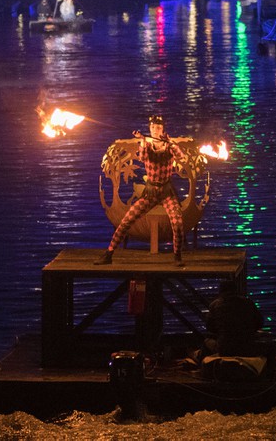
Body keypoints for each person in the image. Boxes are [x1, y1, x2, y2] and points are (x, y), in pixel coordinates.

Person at [96, 115, 187, 266]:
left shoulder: (169, 146)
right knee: (127, 220)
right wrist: (143, 141)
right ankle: (109, 254)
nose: (155, 130)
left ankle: (177, 256)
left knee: (177, 223)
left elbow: (181, 157)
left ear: (163, 129)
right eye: (152, 128)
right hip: (151, 192)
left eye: (158, 128)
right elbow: (144, 157)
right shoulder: (146, 145)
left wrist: (171, 142)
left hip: (166, 192)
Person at [205, 280, 264, 356]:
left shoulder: (214, 305)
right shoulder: (248, 302)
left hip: (225, 347)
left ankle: (202, 364)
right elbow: (260, 322)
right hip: (247, 346)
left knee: (207, 341)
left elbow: (210, 327)